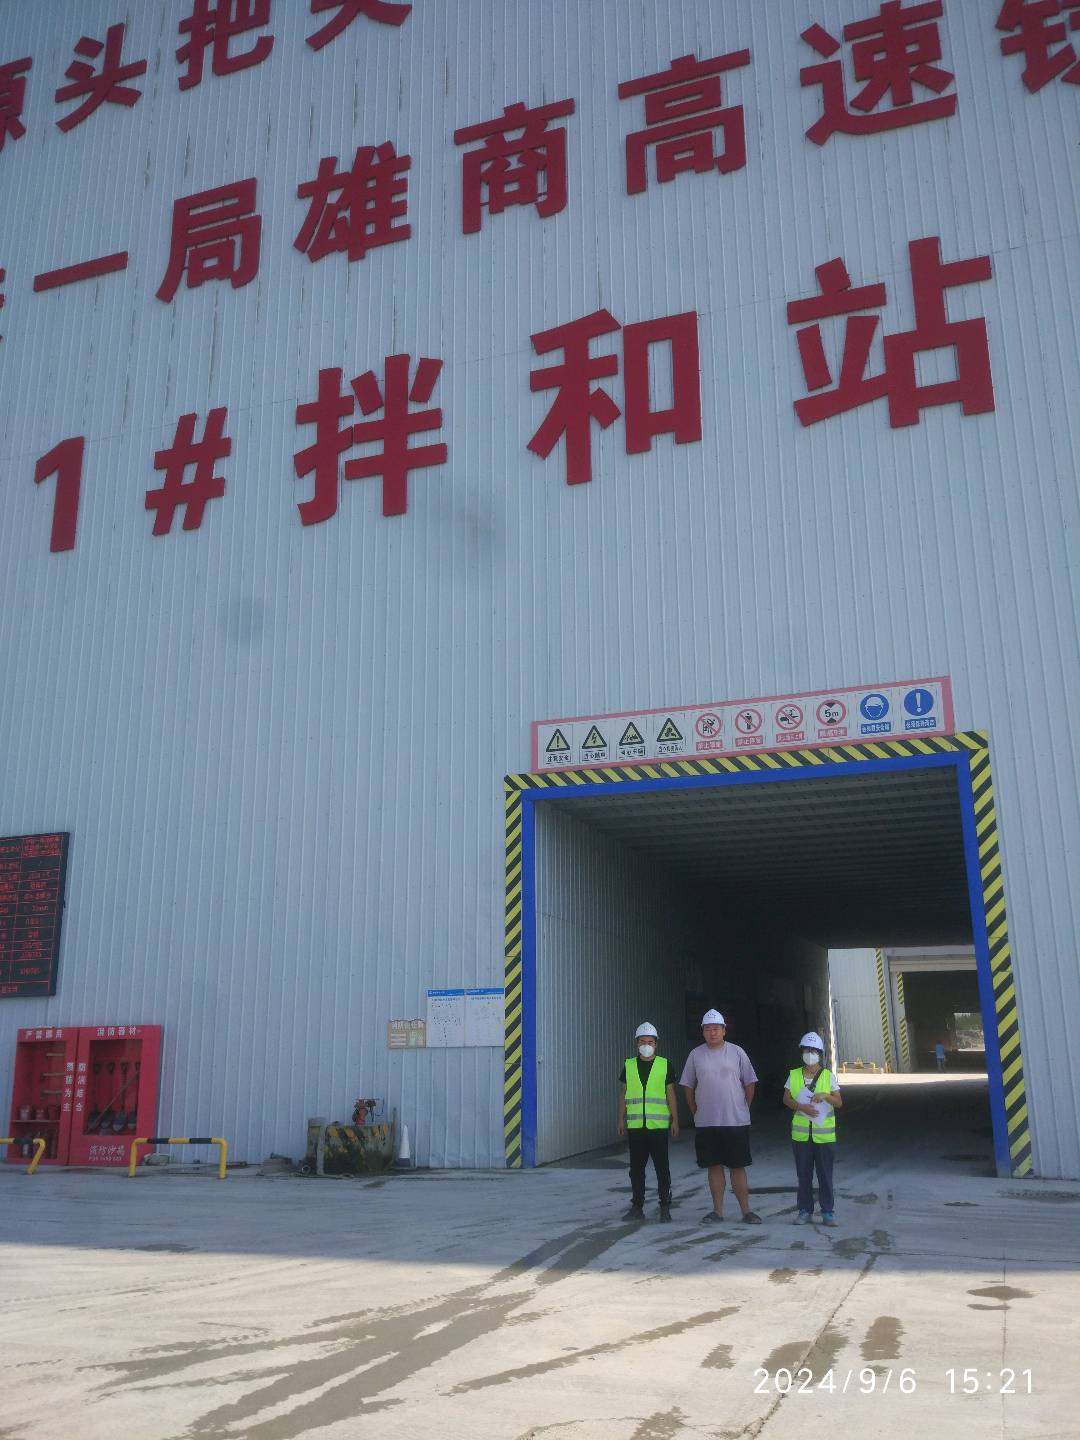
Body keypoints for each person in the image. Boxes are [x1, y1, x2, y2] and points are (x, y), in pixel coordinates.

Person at [679, 1010, 761, 1225]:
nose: (712, 1032)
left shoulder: (737, 1052)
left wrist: (743, 1107)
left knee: (737, 1166)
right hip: (707, 1122)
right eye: (707, 1029)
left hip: (735, 1121)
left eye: (716, 1028)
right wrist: (696, 1111)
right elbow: (688, 1087)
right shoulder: (695, 1055)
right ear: (703, 1032)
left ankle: (746, 1211)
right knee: (713, 1166)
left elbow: (749, 1083)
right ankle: (717, 1211)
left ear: (724, 1030)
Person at [617, 1022, 679, 1222]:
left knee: (662, 1168)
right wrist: (620, 1119)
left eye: (650, 1042)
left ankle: (665, 1206)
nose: (646, 1045)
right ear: (637, 1043)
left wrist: (675, 1119)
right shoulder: (629, 1065)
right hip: (636, 1126)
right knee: (636, 1169)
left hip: (658, 1127)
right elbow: (624, 1093)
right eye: (642, 1041)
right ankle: (637, 1206)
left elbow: (670, 1093)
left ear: (656, 1044)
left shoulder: (664, 1064)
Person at [783, 1030, 842, 1226]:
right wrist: (801, 1107)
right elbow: (786, 1099)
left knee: (825, 1175)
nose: (810, 1054)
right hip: (801, 1137)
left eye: (814, 1051)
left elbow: (839, 1102)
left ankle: (828, 1212)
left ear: (820, 1054)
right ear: (802, 1052)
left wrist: (825, 1095)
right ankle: (804, 1211)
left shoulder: (827, 1076)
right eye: (807, 1050)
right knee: (804, 1175)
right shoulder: (794, 1075)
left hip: (824, 1138)